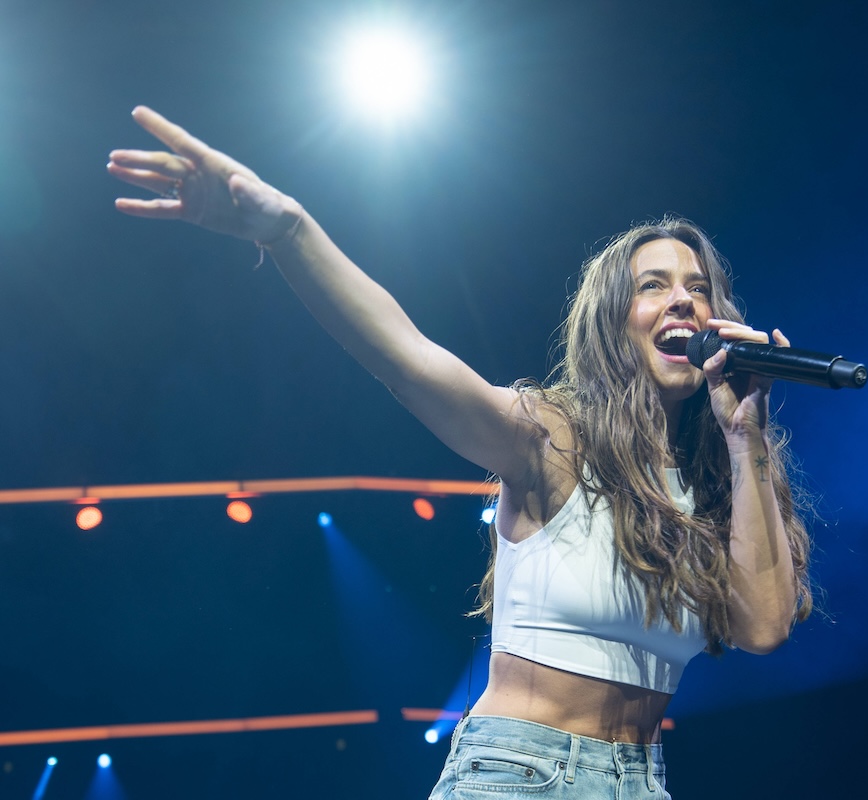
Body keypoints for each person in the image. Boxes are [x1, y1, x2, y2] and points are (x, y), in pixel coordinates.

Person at [108, 106, 812, 799]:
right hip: (525, 775)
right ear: (612, 320)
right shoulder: (552, 437)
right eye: (653, 286)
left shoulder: (717, 486)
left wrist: (744, 432)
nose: (682, 302)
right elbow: (410, 360)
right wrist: (289, 230)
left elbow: (764, 626)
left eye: (698, 289)